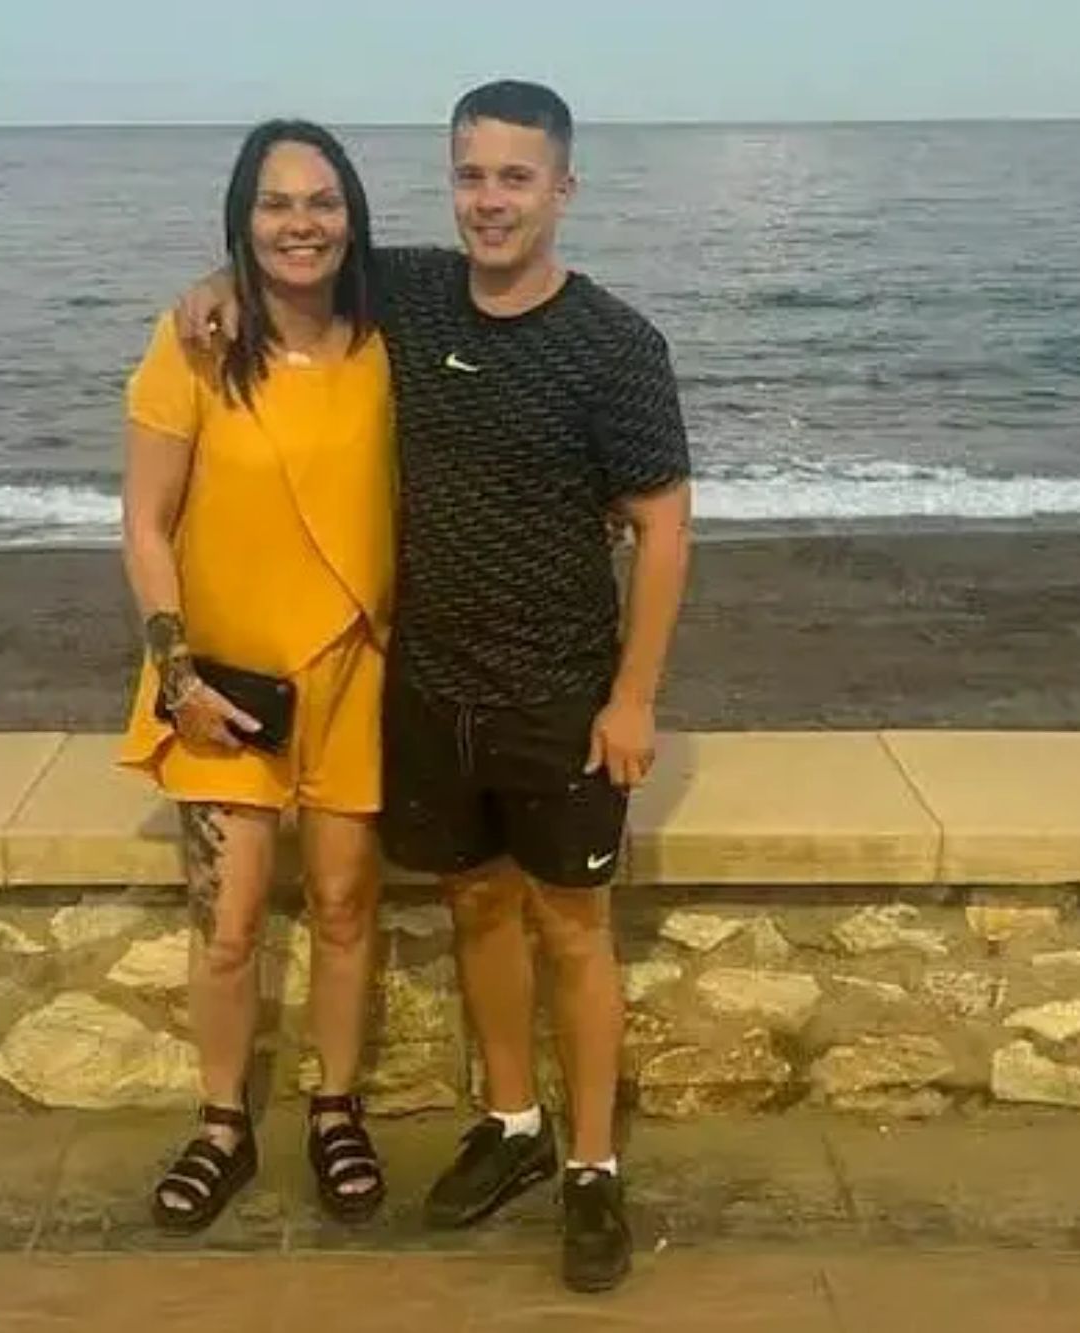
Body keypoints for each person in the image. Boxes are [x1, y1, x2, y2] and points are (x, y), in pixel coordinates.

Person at [180, 80, 692, 1293]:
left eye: (515, 177)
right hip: (427, 685)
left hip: (558, 692)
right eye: (470, 175)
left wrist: (632, 697)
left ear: (562, 187)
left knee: (572, 926)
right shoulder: (408, 294)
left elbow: (662, 528)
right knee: (475, 908)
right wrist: (209, 289)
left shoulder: (614, 344)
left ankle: (591, 1165)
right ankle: (511, 1125)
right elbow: (291, 264)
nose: (489, 201)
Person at [119, 119, 396, 1235]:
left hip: (357, 669)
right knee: (227, 925)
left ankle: (335, 1107)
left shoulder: (387, 338)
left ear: (352, 217)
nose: (301, 223)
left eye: (321, 201)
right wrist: (176, 675)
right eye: (276, 203)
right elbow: (145, 524)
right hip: (222, 690)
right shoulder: (193, 344)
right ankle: (223, 1122)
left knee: (343, 906)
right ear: (242, 218)